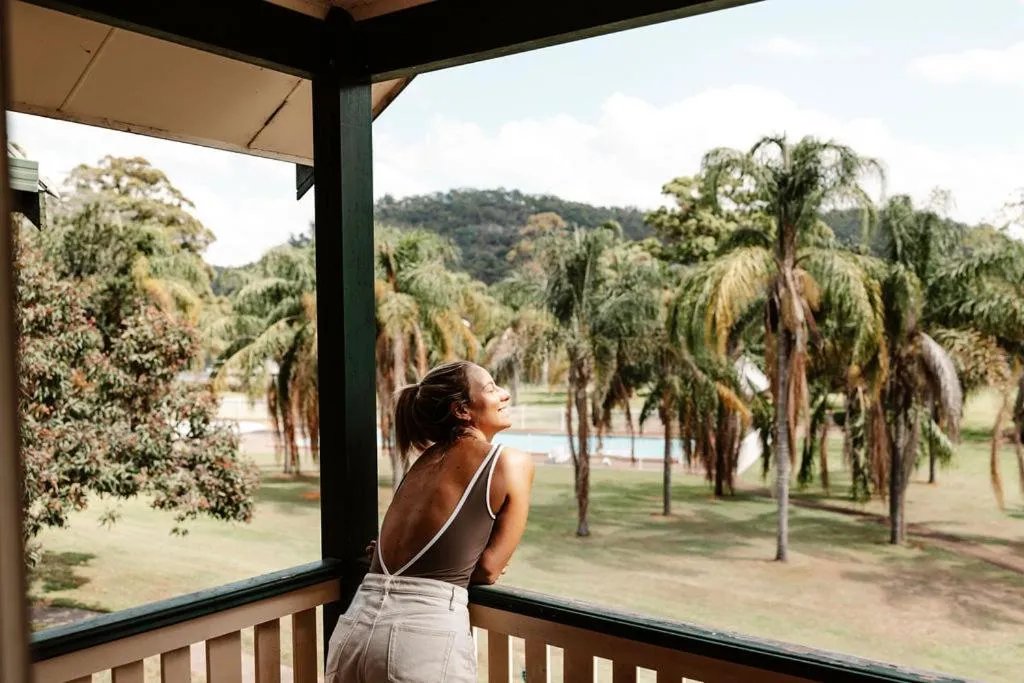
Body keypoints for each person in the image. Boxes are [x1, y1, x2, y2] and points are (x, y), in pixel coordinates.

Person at [325, 360, 535, 683]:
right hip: (420, 643)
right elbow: (489, 569)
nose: (504, 395)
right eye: (491, 388)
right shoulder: (510, 463)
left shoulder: (424, 462)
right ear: (462, 410)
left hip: (355, 631)